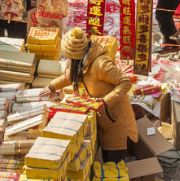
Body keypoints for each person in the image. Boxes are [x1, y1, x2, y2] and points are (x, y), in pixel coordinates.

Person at [44, 28, 137, 161]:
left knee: (113, 164)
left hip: (116, 120)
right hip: (103, 118)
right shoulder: (81, 63)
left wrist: (105, 102)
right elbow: (70, 76)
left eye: (68, 57)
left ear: (76, 56)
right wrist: (51, 86)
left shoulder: (101, 63)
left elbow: (125, 82)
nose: (67, 60)